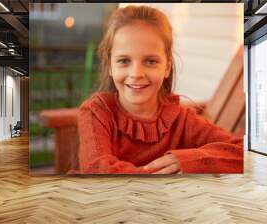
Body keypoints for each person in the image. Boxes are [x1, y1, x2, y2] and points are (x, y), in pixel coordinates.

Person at [77, 5, 243, 174]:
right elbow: (96, 169)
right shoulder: (96, 112)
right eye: (124, 61)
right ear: (110, 66)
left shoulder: (182, 121)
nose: (136, 74)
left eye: (150, 61)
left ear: (167, 67)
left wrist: (189, 160)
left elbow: (243, 152)